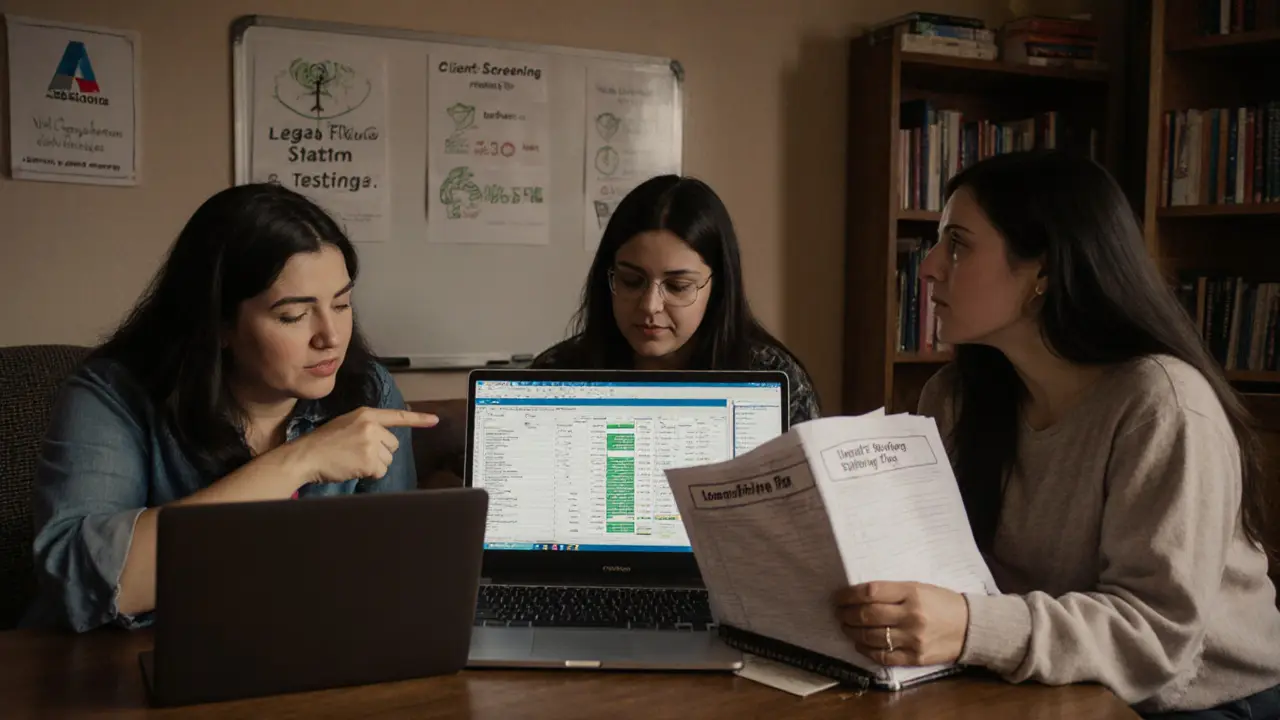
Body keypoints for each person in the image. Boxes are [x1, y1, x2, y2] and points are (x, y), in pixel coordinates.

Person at [832, 150, 1280, 718]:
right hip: (1039, 678)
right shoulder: (954, 396)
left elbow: (1156, 640)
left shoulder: (1162, 404)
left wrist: (971, 626)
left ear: (1043, 269)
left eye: (958, 244)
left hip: (1197, 701)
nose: (929, 267)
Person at [25, 183, 438, 633]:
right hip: (126, 663)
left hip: (300, 651)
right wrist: (300, 461)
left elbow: (390, 572)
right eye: (293, 316)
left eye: (341, 304)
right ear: (217, 324)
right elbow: (78, 581)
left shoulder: (368, 391)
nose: (331, 336)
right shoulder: (112, 394)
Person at [532, 174, 821, 426]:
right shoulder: (557, 371)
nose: (649, 305)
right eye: (631, 281)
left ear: (716, 287)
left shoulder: (771, 377)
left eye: (678, 286)